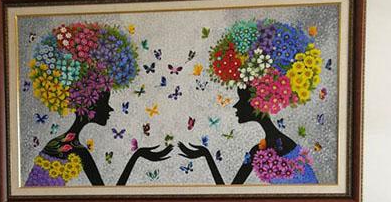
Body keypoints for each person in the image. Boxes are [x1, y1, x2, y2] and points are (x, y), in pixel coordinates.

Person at [25, 23, 171, 187]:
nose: (110, 109)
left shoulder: (56, 143)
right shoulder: (76, 150)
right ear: (88, 105)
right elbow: (110, 196)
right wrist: (137, 156)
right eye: (105, 103)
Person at [179, 19, 320, 185]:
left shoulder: (284, 148)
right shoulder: (258, 151)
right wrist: (206, 155)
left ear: (258, 102)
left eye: (241, 99)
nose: (236, 105)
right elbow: (229, 193)